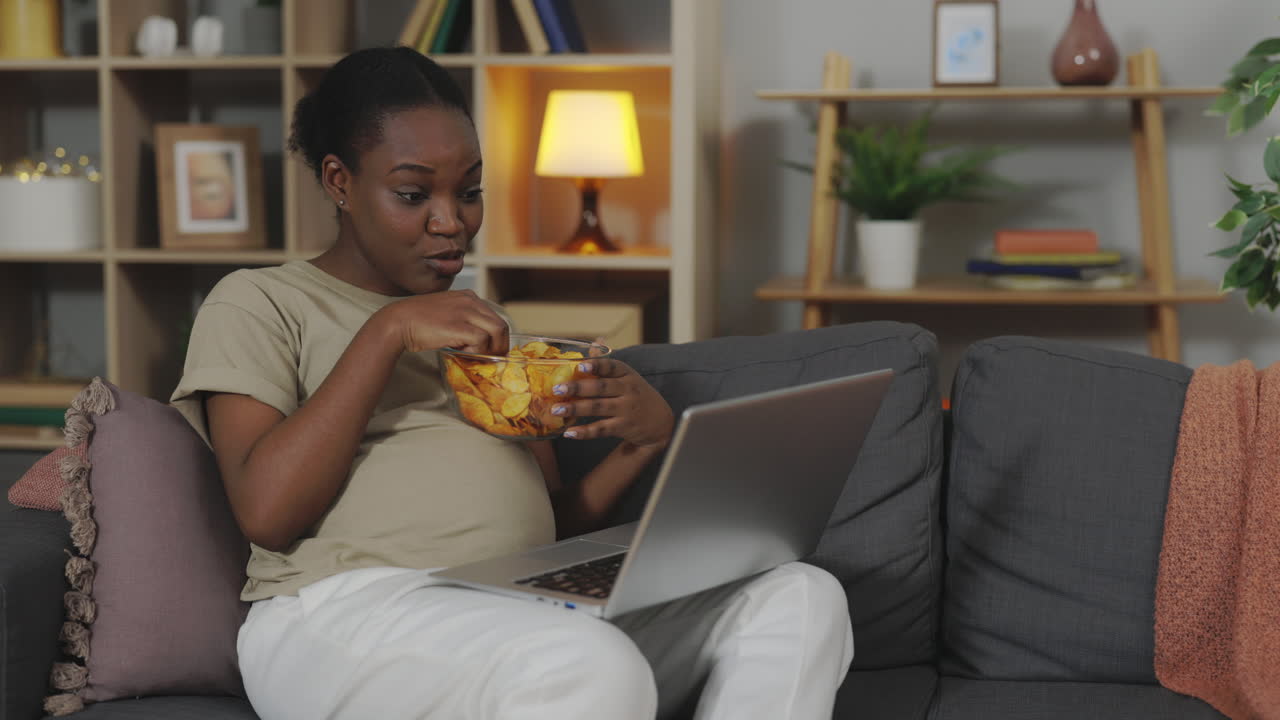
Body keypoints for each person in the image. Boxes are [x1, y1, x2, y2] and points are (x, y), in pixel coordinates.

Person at [171, 46, 853, 720]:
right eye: (414, 194)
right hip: (344, 613)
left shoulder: (486, 327)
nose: (452, 222)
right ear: (339, 181)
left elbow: (546, 522)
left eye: (469, 192)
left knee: (799, 595)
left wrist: (644, 442)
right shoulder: (261, 302)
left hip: (519, 608)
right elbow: (267, 511)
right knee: (588, 664)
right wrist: (386, 334)